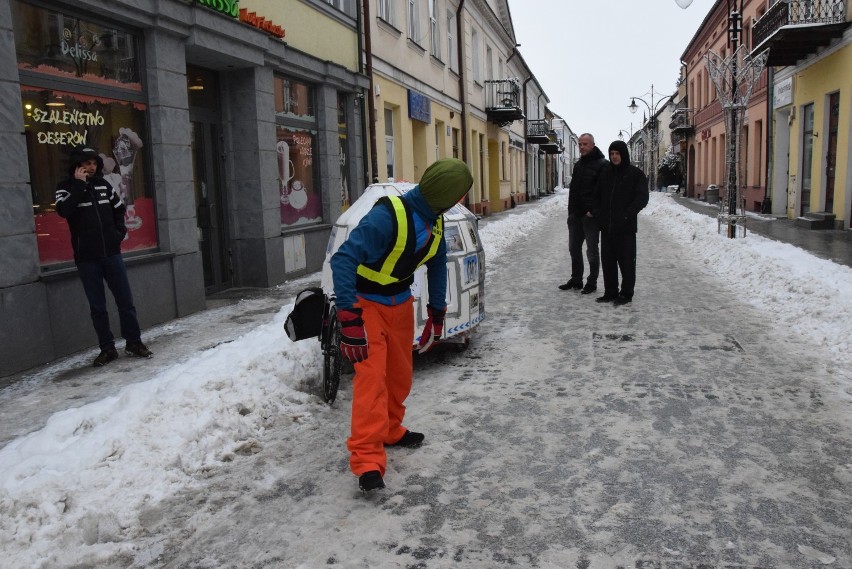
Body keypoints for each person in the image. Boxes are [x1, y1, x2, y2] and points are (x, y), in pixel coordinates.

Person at [330, 158, 473, 493]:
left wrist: (437, 313)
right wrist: (349, 318)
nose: (462, 200)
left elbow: (437, 264)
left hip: (399, 305)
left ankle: (391, 430)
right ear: (448, 195)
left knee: (399, 374)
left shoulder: (434, 218)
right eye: (461, 194)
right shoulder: (387, 215)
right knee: (372, 380)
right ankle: (366, 460)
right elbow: (343, 259)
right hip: (366, 305)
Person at [55, 146, 153, 366]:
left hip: (111, 254)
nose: (91, 167)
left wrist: (119, 233)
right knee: (98, 307)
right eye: (86, 163)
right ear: (77, 166)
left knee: (125, 301)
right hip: (86, 258)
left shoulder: (104, 185)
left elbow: (118, 210)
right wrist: (79, 186)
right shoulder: (65, 188)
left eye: (94, 163)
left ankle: (134, 342)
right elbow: (64, 211)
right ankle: (107, 349)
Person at [594, 140, 650, 306]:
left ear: (623, 154)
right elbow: (597, 195)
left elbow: (642, 198)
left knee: (626, 263)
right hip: (607, 227)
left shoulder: (635, 174)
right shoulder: (605, 173)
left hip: (626, 229)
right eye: (611, 154)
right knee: (608, 261)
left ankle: (626, 294)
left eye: (617, 153)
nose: (614, 157)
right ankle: (610, 292)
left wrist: (627, 215)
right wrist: (599, 214)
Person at [560, 133, 607, 295]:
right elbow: (574, 191)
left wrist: (593, 211)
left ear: (593, 145)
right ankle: (576, 279)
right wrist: (571, 212)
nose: (581, 147)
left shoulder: (603, 165)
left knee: (592, 250)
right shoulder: (578, 165)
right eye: (579, 144)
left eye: (585, 144)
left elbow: (603, 192)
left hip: (590, 217)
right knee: (574, 248)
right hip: (575, 215)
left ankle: (592, 282)